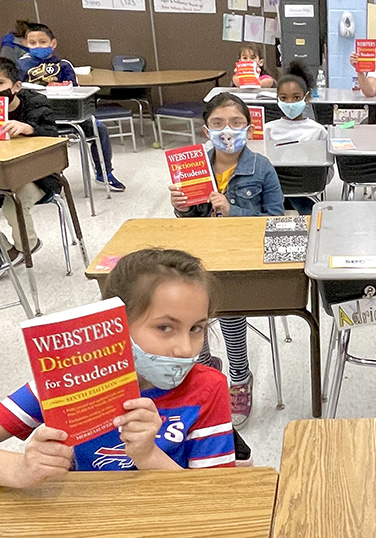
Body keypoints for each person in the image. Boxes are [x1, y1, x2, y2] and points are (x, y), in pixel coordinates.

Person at [0, 248, 237, 486]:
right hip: (88, 515)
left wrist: (148, 455)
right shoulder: (65, 383)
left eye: (196, 328)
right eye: (164, 328)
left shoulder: (208, 388)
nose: (185, 349)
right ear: (116, 324)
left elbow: (214, 493)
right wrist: (22, 470)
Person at [169, 92, 284, 427]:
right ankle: (205, 368)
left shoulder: (261, 167)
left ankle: (239, 375)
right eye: (218, 124)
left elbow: (275, 219)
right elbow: (186, 225)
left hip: (242, 259)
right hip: (200, 256)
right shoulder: (194, 165)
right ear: (206, 130)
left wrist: (235, 211)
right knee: (190, 311)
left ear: (249, 127)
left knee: (227, 309)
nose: (227, 131)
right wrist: (182, 207)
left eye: (236, 123)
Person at [17, 23, 126, 192]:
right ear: (26, 44)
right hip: (35, 119)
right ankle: (35, 179)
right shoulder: (20, 66)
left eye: (42, 42)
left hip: (68, 114)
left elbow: (74, 91)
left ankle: (104, 173)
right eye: (33, 43)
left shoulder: (64, 65)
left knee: (99, 128)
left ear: (52, 44)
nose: (38, 46)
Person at [0, 58, 61, 269]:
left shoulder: (36, 103)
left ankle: (28, 246)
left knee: (12, 205)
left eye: (0, 84)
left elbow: (55, 137)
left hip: (38, 176)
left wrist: (30, 128)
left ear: (16, 86)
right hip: (3, 174)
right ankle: (6, 251)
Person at [263, 60, 329, 215]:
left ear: (306, 98)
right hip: (273, 186)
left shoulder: (318, 131)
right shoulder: (267, 129)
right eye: (284, 98)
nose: (290, 103)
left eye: (296, 97)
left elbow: (327, 172)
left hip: (308, 186)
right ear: (277, 98)